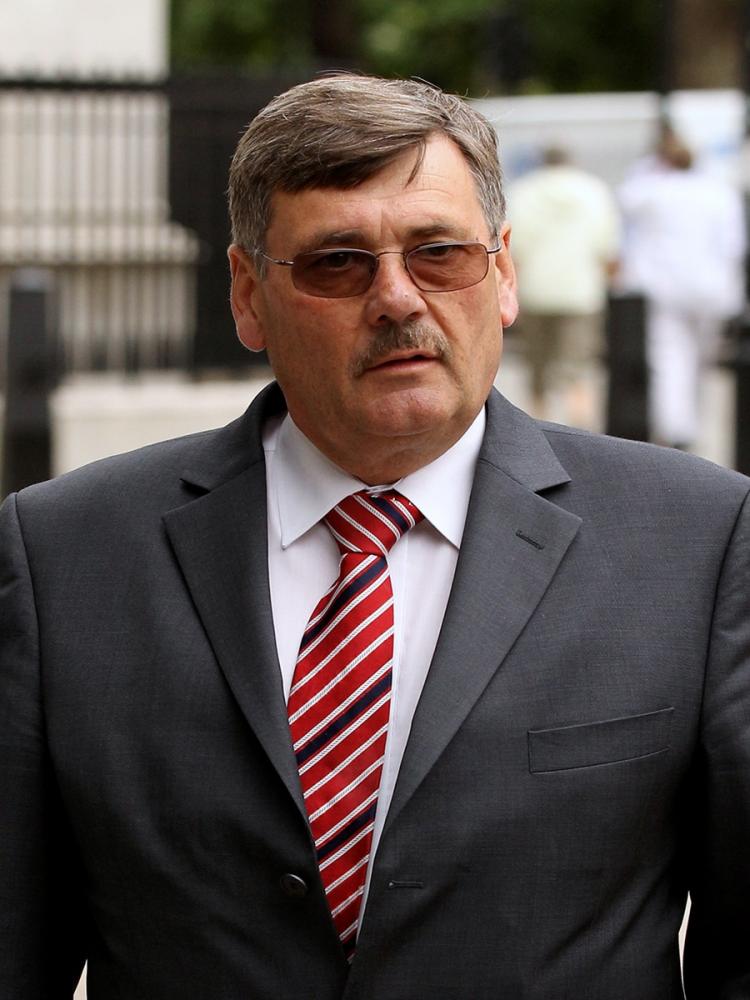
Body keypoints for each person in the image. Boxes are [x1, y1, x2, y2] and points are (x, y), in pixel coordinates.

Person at [1, 74, 749, 1000]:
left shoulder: (697, 539)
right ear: (247, 295)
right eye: (336, 263)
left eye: (439, 253)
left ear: (504, 273)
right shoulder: (64, 554)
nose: (397, 298)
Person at [618, 130, 746, 450]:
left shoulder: (652, 190)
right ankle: (694, 425)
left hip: (664, 287)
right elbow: (734, 245)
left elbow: (624, 199)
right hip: (712, 288)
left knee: (669, 357)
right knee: (702, 362)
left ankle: (677, 429)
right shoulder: (719, 192)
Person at [508, 146, 620, 428]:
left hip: (534, 291)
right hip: (581, 293)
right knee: (579, 369)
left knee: (536, 368)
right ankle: (579, 430)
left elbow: (513, 250)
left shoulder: (523, 192)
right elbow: (607, 249)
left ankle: (536, 428)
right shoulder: (594, 191)